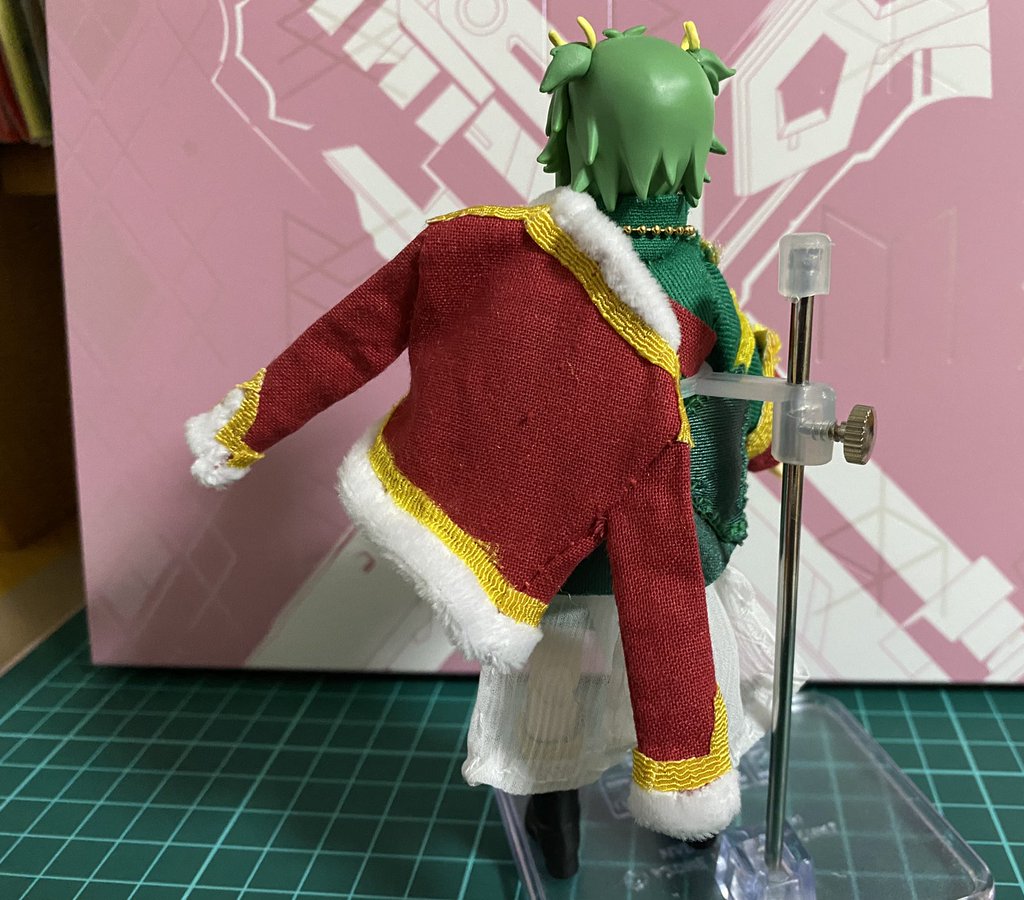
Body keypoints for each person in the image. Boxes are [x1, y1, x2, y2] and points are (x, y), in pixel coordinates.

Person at [187, 19, 793, 880]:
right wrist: (766, 443)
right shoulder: (697, 279)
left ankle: (555, 825)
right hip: (655, 537)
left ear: (573, 133)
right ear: (697, 148)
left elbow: (347, 340)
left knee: (550, 689)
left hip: (543, 537)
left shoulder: (485, 250)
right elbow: (740, 396)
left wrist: (243, 426)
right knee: (680, 679)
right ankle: (688, 822)